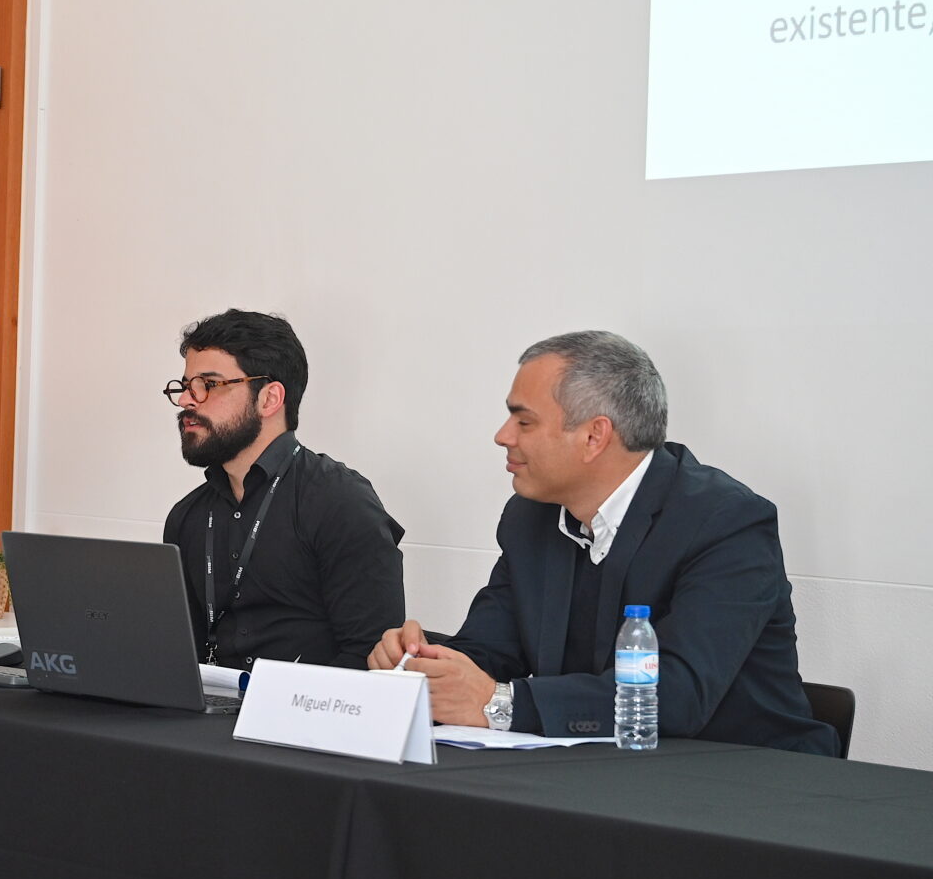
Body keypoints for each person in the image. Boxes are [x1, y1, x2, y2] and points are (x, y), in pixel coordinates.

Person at [369, 331, 836, 754]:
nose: (502, 436)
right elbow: (491, 649)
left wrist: (500, 703)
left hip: (749, 783)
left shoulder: (726, 522)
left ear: (594, 436)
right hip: (597, 776)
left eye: (524, 422)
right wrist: (426, 664)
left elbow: (677, 694)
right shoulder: (529, 517)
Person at [165, 310, 404, 669]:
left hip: (313, 703)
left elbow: (372, 659)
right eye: (186, 386)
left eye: (208, 385)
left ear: (269, 399)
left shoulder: (341, 502)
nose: (187, 400)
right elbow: (180, 654)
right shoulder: (187, 517)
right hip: (211, 702)